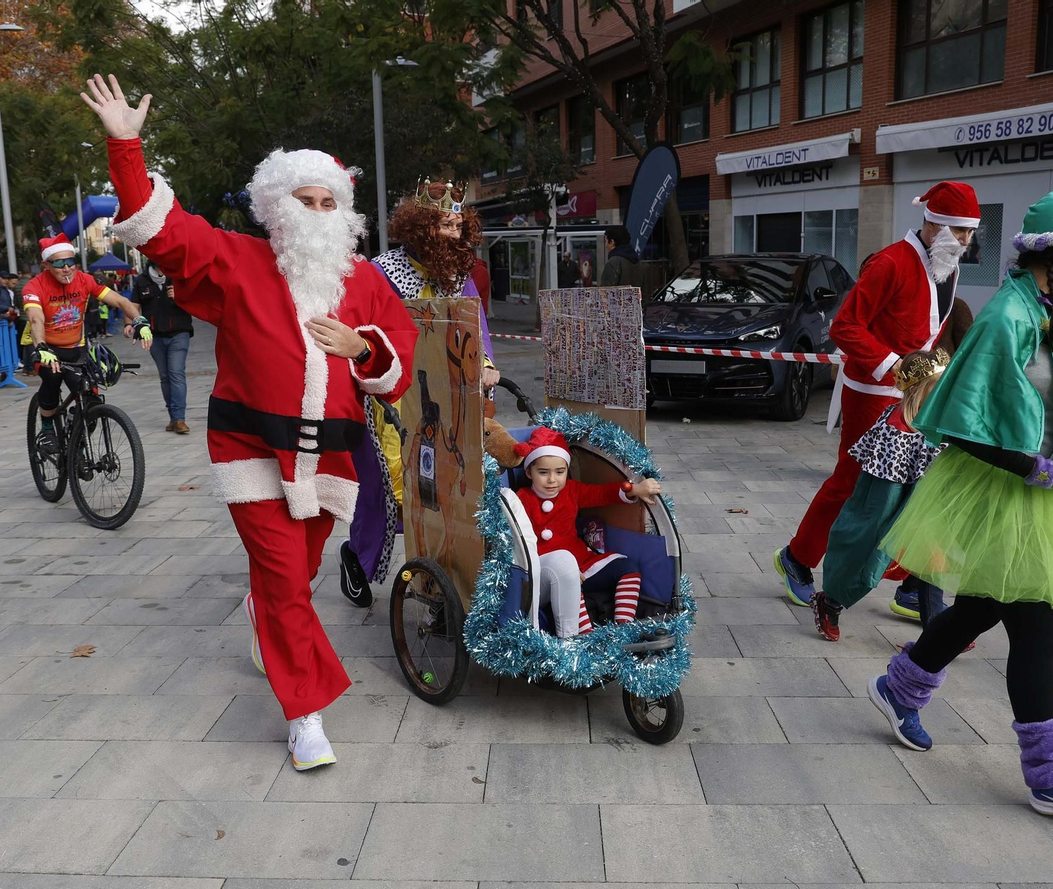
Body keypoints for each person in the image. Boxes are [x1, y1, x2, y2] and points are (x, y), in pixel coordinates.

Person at [85, 72, 417, 771]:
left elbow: (398, 363)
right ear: (277, 206)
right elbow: (164, 232)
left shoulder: (365, 282)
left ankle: (264, 612)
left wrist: (363, 348)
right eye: (307, 199)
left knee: (295, 574)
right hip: (249, 447)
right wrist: (126, 148)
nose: (321, 210)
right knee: (286, 583)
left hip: (329, 458)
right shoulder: (238, 260)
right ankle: (305, 715)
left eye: (331, 201)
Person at [868, 186, 1053, 821]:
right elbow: (957, 425)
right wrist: (1048, 471)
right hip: (1006, 487)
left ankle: (899, 685)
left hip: (1035, 486)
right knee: (1036, 626)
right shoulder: (1005, 319)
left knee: (983, 605)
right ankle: (1051, 777)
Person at [775, 181, 977, 610]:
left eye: (969, 232)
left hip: (913, 392)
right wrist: (892, 365)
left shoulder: (947, 264)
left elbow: (933, 327)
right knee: (852, 482)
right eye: (960, 231)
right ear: (935, 224)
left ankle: (909, 585)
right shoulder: (889, 262)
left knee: (913, 484)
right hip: (870, 391)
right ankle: (797, 558)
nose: (966, 241)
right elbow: (844, 327)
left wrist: (932, 375)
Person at [340, 179, 496, 603]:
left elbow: (474, 327)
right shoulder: (379, 271)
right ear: (422, 225)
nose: (454, 232)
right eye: (445, 224)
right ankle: (356, 555)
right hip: (389, 401)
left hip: (447, 399)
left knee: (443, 491)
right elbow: (362, 331)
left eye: (458, 225)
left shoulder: (459, 277)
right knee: (387, 495)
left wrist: (484, 366)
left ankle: (437, 580)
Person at [811, 349, 952, 641]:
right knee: (870, 552)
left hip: (926, 502)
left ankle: (938, 634)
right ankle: (831, 600)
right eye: (937, 388)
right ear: (918, 391)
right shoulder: (897, 428)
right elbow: (881, 499)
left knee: (931, 555)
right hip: (889, 499)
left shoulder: (941, 423)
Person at [511, 428, 661, 637]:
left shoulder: (572, 490)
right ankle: (586, 638)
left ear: (566, 470)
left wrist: (634, 489)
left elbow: (601, 494)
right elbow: (523, 544)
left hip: (584, 562)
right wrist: (569, 574)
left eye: (559, 472)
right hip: (549, 571)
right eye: (543, 472)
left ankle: (623, 627)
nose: (552, 480)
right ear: (529, 472)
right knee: (569, 587)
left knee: (628, 566)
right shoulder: (523, 498)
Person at [23, 233, 151, 446]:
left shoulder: (85, 280)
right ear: (46, 264)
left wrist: (139, 320)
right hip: (47, 348)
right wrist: (42, 347)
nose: (66, 269)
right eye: (59, 263)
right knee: (52, 379)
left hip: (77, 348)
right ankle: (47, 429)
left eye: (70, 261)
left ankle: (77, 443)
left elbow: (119, 301)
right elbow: (36, 319)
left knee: (91, 398)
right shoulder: (34, 287)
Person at [132, 263, 194, 433]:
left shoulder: (179, 275)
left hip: (179, 332)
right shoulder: (142, 280)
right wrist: (129, 324)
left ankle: (180, 419)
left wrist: (181, 295)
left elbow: (197, 300)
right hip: (154, 335)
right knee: (165, 376)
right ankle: (173, 418)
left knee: (176, 373)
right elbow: (134, 306)